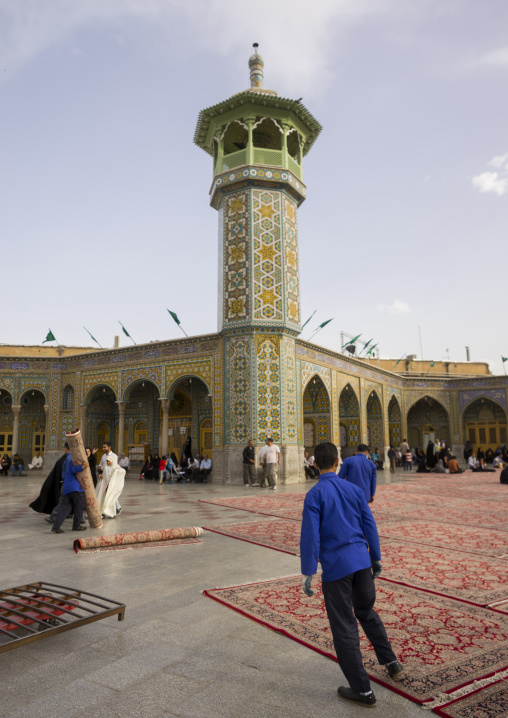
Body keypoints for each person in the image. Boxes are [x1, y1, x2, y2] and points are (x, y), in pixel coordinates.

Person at [300, 441, 404, 708]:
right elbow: (369, 524)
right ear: (338, 463)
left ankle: (363, 691)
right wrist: (376, 557)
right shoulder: (354, 490)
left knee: (345, 628)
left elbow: (311, 536)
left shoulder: (314, 495)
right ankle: (391, 662)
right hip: (361, 564)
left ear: (314, 465)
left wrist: (308, 571)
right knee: (366, 612)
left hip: (337, 569)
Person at [50, 452, 89, 534]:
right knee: (79, 506)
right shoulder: (75, 460)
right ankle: (76, 526)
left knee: (64, 508)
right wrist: (82, 466)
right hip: (75, 488)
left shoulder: (73, 458)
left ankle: (56, 526)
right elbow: (73, 469)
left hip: (67, 488)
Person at [30, 444, 70, 516]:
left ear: (65, 448)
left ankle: (56, 517)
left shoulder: (65, 459)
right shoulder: (67, 459)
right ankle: (57, 517)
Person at [96, 452, 126, 518]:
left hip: (111, 485)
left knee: (110, 498)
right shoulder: (105, 467)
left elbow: (122, 471)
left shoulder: (114, 467)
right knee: (103, 498)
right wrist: (101, 476)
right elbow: (102, 471)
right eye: (107, 461)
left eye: (109, 461)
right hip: (105, 485)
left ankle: (112, 513)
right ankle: (103, 513)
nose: (108, 462)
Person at [99, 442, 122, 514]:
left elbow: (114, 467)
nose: (103, 449)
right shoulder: (103, 456)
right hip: (104, 477)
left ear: (109, 447)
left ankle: (115, 508)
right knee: (106, 493)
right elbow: (100, 466)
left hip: (111, 477)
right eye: (103, 447)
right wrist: (100, 470)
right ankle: (117, 507)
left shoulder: (114, 456)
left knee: (111, 492)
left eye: (105, 447)